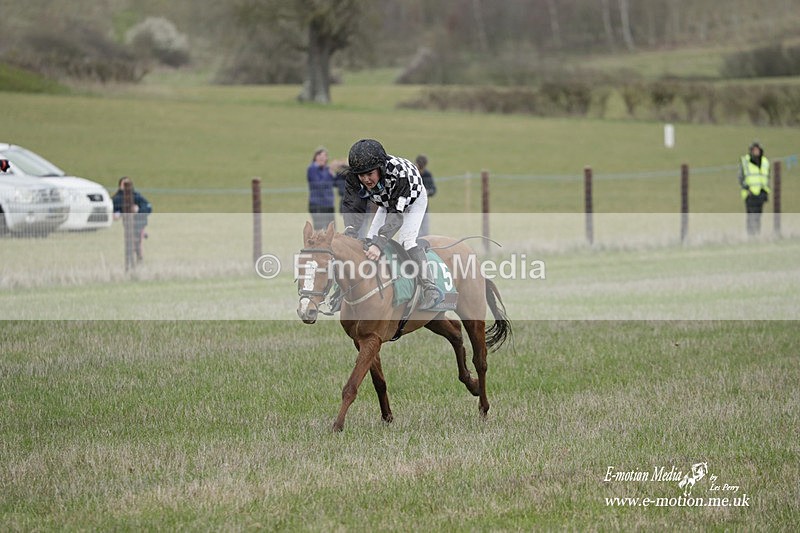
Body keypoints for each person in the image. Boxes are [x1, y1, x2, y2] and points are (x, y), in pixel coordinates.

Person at [347, 138, 441, 310]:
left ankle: (430, 288)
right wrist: (350, 232)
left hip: (412, 199)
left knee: (407, 241)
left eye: (370, 174)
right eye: (362, 175)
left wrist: (380, 244)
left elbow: (396, 216)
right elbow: (353, 206)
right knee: (368, 240)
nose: (366, 180)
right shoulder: (354, 177)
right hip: (388, 201)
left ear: (381, 169)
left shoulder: (399, 175)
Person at [112, 177, 152, 261]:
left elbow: (148, 207)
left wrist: (138, 210)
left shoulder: (137, 196)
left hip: (139, 222)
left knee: (137, 242)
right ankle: (135, 258)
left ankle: (138, 257)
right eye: (124, 184)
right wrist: (117, 213)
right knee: (133, 241)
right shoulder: (116, 199)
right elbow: (114, 209)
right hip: (127, 223)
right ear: (120, 186)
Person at [738, 140, 771, 236]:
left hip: (761, 193)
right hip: (750, 193)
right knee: (751, 216)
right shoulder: (745, 162)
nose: (756, 152)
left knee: (758, 216)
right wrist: (746, 188)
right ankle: (751, 235)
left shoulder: (765, 162)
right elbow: (740, 177)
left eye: (758, 150)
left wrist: (765, 190)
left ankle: (757, 234)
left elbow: (767, 176)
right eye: (754, 150)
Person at [307, 146, 342, 230]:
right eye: (321, 156)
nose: (324, 159)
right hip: (317, 204)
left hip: (328, 204)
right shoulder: (312, 169)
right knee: (319, 230)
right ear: (316, 157)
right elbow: (319, 185)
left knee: (331, 230)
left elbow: (335, 183)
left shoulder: (326, 169)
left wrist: (339, 170)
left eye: (325, 156)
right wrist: (330, 170)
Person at [415, 154, 436, 236]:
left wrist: (427, 192)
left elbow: (433, 190)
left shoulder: (427, 175)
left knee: (425, 232)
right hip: (411, 209)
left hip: (424, 208)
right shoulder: (412, 174)